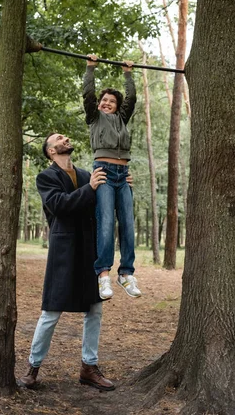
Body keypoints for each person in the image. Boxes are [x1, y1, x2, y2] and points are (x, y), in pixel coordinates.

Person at [19, 132, 115, 391]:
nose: (66, 139)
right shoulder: (46, 177)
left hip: (89, 250)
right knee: (50, 311)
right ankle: (33, 367)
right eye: (59, 138)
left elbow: (105, 206)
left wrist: (121, 184)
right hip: (63, 251)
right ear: (51, 151)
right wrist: (91, 188)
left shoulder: (86, 175)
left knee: (94, 309)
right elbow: (59, 205)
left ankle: (89, 368)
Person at [83, 54, 141, 301]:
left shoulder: (122, 119)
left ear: (117, 107)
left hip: (123, 175)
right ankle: (103, 275)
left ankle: (126, 273)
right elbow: (87, 95)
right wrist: (90, 69)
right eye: (103, 100)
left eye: (111, 101)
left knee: (127, 224)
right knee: (106, 223)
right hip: (104, 173)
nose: (106, 103)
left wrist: (128, 74)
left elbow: (132, 98)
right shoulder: (94, 118)